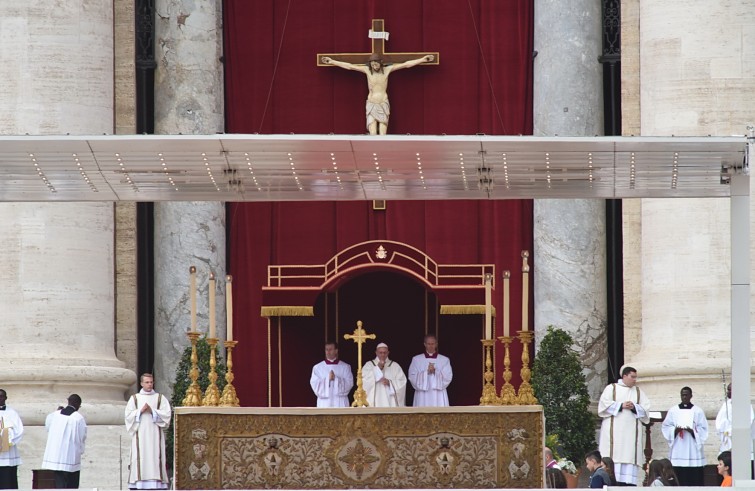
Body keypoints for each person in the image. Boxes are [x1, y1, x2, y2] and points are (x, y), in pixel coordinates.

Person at [321, 53, 435, 136]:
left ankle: (382, 154)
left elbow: (406, 64)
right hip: (371, 103)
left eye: (376, 64)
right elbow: (350, 66)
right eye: (373, 64)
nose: (375, 66)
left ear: (381, 63)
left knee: (383, 133)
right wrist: (332, 62)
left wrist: (422, 59)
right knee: (373, 133)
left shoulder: (387, 70)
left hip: (383, 102)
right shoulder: (366, 70)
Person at [598, 365, 651, 485]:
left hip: (630, 438)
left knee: (629, 460)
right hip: (615, 437)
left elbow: (646, 409)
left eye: (636, 377)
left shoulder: (638, 392)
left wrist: (634, 407)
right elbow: (603, 405)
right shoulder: (612, 388)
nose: (634, 380)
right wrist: (620, 406)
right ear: (624, 376)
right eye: (632, 377)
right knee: (614, 459)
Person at [125, 373, 172, 489]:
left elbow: (167, 416)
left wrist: (153, 412)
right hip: (140, 435)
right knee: (141, 457)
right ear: (141, 384)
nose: (149, 384)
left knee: (154, 456)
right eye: (147, 382)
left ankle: (156, 483)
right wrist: (140, 411)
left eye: (151, 382)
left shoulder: (160, 398)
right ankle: (139, 483)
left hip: (155, 436)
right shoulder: (135, 399)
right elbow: (128, 416)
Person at [661, 386, 708, 486]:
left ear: (691, 396)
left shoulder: (698, 411)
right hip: (678, 447)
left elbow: (704, 429)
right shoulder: (673, 410)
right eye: (682, 395)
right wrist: (675, 430)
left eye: (686, 395)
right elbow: (666, 426)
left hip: (693, 448)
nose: (684, 397)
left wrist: (692, 431)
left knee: (694, 478)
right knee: (679, 476)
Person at [41, 394, 87, 488]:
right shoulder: (78, 418)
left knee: (59, 482)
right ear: (77, 404)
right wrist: (80, 450)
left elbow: (48, 427)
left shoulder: (55, 414)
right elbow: (82, 436)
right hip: (71, 456)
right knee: (71, 483)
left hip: (56, 456)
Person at [408, 334, 453, 406]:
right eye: (428, 344)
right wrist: (426, 372)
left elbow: (448, 376)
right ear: (425, 344)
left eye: (433, 344)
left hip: (438, 394)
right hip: (422, 394)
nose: (431, 346)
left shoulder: (444, 360)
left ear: (436, 344)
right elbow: (412, 376)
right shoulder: (416, 359)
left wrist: (435, 372)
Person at [361, 342, 407, 407]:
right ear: (376, 352)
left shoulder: (395, 366)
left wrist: (390, 383)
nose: (382, 355)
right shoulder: (369, 365)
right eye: (380, 352)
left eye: (385, 352)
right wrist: (377, 369)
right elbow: (363, 380)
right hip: (375, 401)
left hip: (390, 401)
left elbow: (402, 382)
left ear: (388, 353)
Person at [310, 341, 353, 407]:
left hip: (340, 403)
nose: (328, 352)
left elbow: (349, 383)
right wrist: (328, 379)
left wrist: (336, 379)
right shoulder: (317, 367)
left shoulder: (345, 367)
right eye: (326, 349)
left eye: (330, 349)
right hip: (324, 403)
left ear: (336, 351)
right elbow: (314, 385)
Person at [0, 389, 23, 490]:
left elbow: (20, 430)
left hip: (8, 452)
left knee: (8, 479)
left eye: (1, 396)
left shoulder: (12, 413)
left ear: (6, 398)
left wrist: (9, 440)